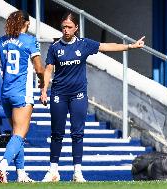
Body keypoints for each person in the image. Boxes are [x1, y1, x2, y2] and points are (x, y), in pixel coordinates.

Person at [40, 12, 145, 182]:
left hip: (78, 94)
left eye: (69, 27)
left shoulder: (84, 44)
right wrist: (44, 89)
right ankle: (53, 171)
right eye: (63, 27)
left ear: (76, 28)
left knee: (77, 133)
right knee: (57, 133)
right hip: (59, 93)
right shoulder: (55, 47)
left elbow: (106, 46)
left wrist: (130, 47)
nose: (66, 30)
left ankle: (77, 172)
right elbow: (48, 69)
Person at [0, 10, 45, 183]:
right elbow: (39, 68)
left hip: (5, 93)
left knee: (16, 135)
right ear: (26, 23)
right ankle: (2, 167)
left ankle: (21, 174)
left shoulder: (1, 41)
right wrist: (43, 82)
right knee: (20, 134)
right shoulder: (29, 41)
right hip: (22, 93)